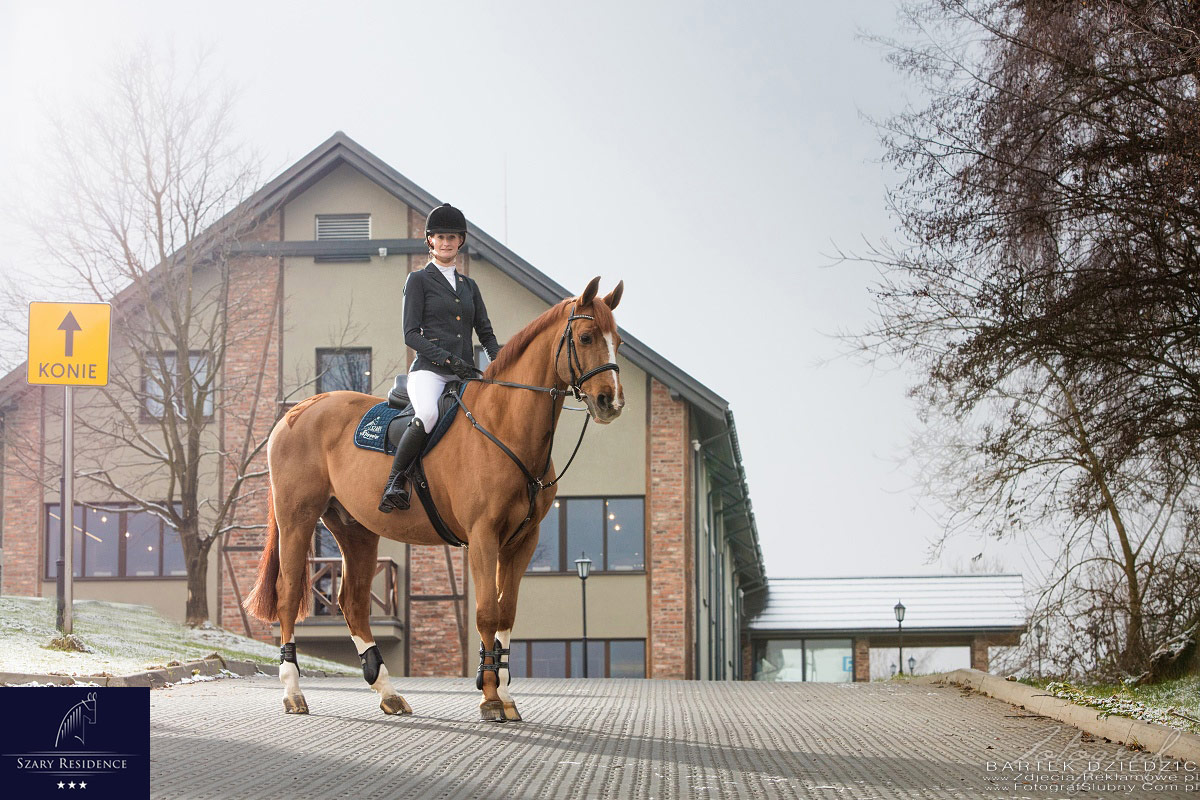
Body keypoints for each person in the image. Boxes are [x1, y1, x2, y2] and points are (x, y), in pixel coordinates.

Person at [379, 203, 501, 513]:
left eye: (452, 237)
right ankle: (395, 481)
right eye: (440, 237)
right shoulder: (418, 280)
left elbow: (485, 333)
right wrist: (448, 360)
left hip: (464, 374)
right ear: (430, 241)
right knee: (429, 415)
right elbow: (411, 334)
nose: (446, 243)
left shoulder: (469, 287)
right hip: (429, 372)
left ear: (461, 241)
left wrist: (499, 364)